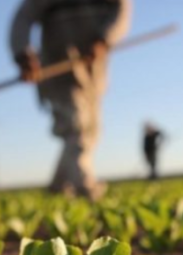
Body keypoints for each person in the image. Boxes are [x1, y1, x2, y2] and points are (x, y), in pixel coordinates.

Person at [10, 0, 132, 200]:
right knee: (77, 127)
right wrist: (23, 54)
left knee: (91, 132)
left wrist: (105, 39)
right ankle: (85, 186)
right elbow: (23, 18)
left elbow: (121, 11)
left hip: (92, 71)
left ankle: (57, 187)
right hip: (58, 69)